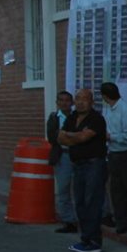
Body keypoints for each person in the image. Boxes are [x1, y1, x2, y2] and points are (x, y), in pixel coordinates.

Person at [56, 88, 108, 252]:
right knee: (79, 202)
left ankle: (94, 242)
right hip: (77, 165)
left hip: (94, 165)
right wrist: (75, 135)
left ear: (91, 101)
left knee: (92, 202)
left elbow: (83, 138)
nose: (80, 102)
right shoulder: (72, 117)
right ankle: (85, 239)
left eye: (84, 99)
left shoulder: (96, 119)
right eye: (77, 98)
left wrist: (72, 136)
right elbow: (60, 138)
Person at [100, 81, 127, 235]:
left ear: (105, 96)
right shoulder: (110, 110)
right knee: (117, 191)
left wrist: (111, 137)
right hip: (114, 154)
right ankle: (122, 222)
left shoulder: (126, 109)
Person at [46, 90, 77, 234]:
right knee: (63, 189)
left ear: (72, 103)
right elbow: (53, 138)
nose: (64, 103)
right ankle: (68, 221)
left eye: (67, 100)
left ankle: (81, 217)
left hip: (77, 155)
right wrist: (68, 137)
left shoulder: (77, 117)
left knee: (80, 188)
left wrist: (66, 136)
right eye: (61, 100)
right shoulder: (53, 118)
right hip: (62, 155)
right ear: (57, 103)